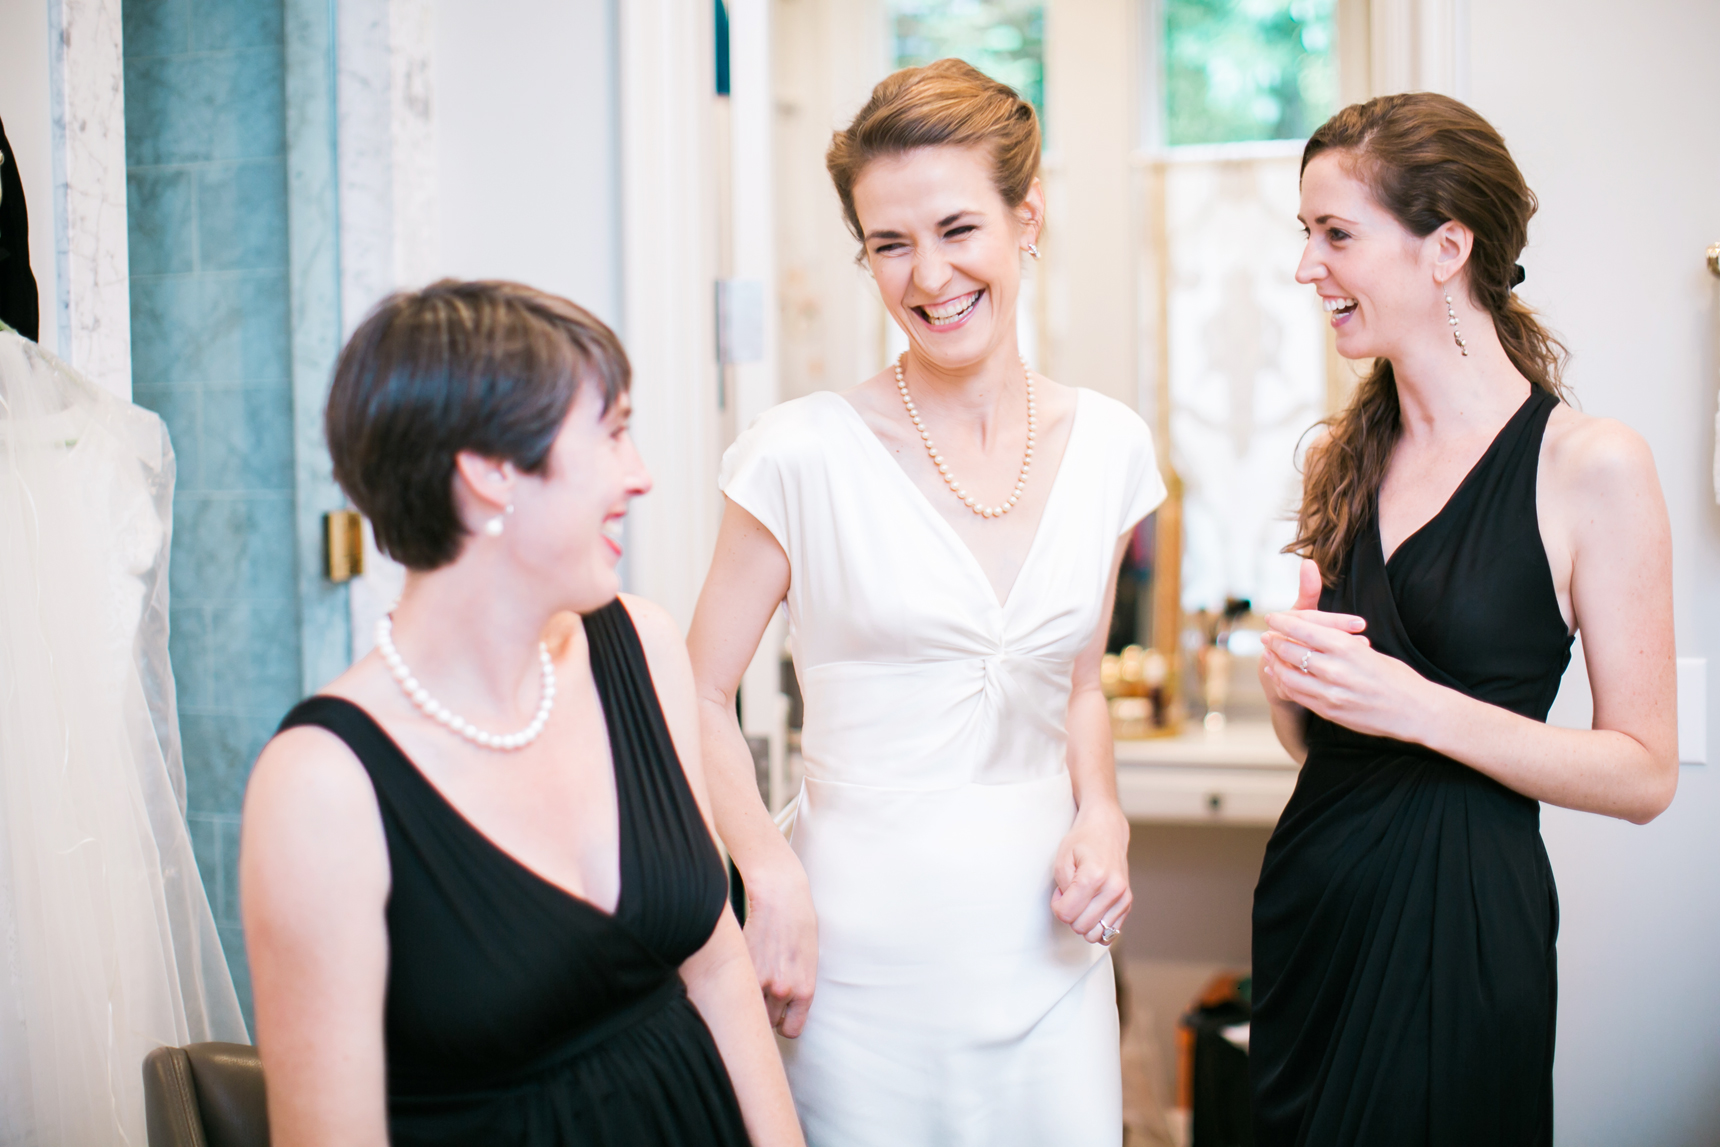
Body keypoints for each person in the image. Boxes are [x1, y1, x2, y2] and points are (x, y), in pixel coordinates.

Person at [687, 60, 1165, 1146]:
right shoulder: (798, 453)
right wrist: (768, 870)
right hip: (853, 972)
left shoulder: (1109, 448)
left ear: (1024, 218)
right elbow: (696, 688)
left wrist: (1103, 810)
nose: (928, 275)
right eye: (889, 244)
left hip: (1048, 958)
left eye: (957, 229)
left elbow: (1079, 685)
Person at [240, 281, 804, 1147]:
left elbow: (719, 965)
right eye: (612, 431)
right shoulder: (322, 782)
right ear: (490, 471)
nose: (641, 473)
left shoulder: (643, 650)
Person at [1252, 92, 1678, 1146]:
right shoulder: (1335, 459)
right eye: (1304, 235)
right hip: (1311, 910)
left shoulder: (1592, 467)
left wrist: (1417, 705)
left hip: (1463, 926)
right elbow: (1320, 743)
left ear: (1446, 248)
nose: (1308, 267)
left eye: (1335, 235)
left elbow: (1642, 773)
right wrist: (1291, 689)